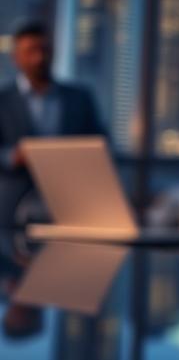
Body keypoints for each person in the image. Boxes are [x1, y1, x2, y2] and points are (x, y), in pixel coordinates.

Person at [0, 21, 106, 228]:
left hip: (70, 203)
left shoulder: (80, 99)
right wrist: (13, 156)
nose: (39, 58)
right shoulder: (2, 101)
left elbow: (101, 142)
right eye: (31, 51)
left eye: (44, 50)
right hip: (10, 205)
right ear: (16, 58)